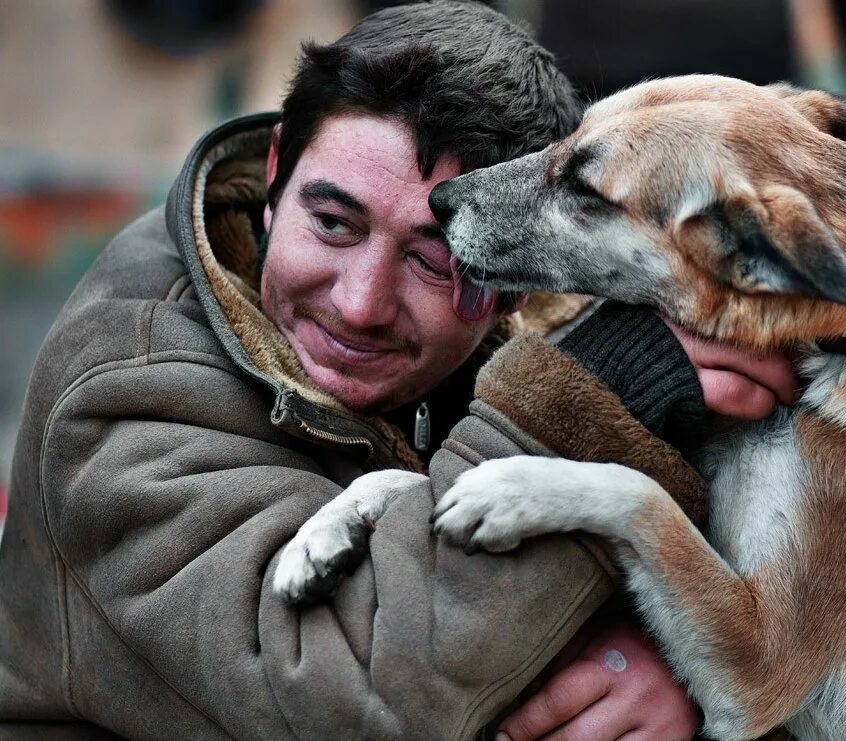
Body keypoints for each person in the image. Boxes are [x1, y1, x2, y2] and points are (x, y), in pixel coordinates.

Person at [0, 3, 796, 738]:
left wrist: (670, 665)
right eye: (334, 222)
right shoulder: (128, 392)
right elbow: (354, 693)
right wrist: (593, 406)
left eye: (430, 257)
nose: (359, 304)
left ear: (518, 280)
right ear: (276, 171)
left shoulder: (524, 322)